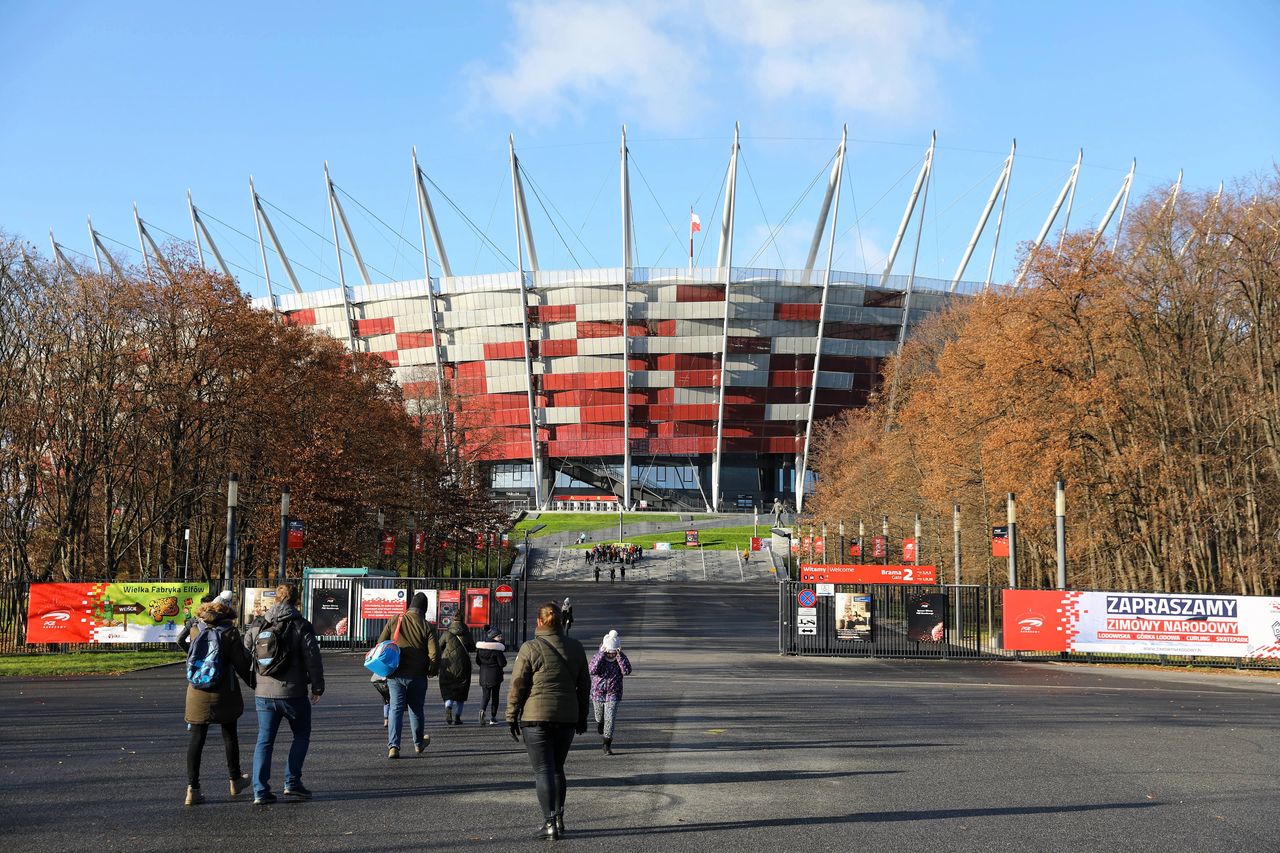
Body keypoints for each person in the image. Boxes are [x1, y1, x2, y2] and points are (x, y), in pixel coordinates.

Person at [507, 602, 590, 840]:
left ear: (539, 622)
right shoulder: (575, 647)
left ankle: (549, 822)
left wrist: (511, 715)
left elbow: (518, 685)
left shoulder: (530, 648)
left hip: (536, 718)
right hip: (566, 717)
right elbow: (584, 686)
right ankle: (560, 819)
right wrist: (582, 716)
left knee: (543, 770)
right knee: (557, 769)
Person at [244, 583, 324, 806]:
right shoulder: (301, 625)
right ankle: (292, 782)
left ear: (276, 600)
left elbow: (247, 646)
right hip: (293, 692)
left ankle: (260, 790)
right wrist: (317, 687)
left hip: (263, 692)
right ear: (297, 601)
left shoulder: (260, 623)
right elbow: (313, 659)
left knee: (265, 740)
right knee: (301, 734)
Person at [182, 596, 253, 805]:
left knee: (196, 738)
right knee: (229, 734)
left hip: (197, 691)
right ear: (226, 613)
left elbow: (181, 641)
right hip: (224, 691)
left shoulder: (196, 629)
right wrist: (256, 685)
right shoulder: (229, 632)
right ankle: (235, 779)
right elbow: (241, 664)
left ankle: (192, 789)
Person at [379, 591, 439, 758]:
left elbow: (381, 643)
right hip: (418, 675)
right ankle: (418, 743)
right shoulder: (427, 626)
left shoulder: (395, 619)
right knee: (416, 709)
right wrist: (432, 671)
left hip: (395, 673)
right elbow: (434, 654)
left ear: (411, 605)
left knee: (395, 709)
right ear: (424, 609)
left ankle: (393, 746)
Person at [588, 630, 633, 755]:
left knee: (610, 718)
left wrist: (620, 656)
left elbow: (627, 671)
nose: (611, 655)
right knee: (599, 715)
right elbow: (592, 670)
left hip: (614, 692)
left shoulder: (620, 658)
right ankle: (599, 722)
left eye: (614, 652)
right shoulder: (599, 657)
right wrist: (601, 654)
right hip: (598, 692)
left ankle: (607, 744)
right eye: (609, 652)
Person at [438, 614, 475, 724]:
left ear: (452, 621)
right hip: (463, 666)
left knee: (447, 688)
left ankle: (448, 707)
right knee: (461, 692)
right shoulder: (467, 633)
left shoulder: (446, 634)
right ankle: (458, 717)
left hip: (448, 666)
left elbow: (439, 646)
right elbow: (472, 648)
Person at [475, 628, 508, 725]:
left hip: (483, 676)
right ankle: (493, 718)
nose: (501, 638)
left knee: (485, 696)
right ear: (493, 637)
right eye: (499, 636)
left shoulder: (480, 649)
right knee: (495, 696)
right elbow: (502, 663)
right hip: (495, 676)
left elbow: (478, 661)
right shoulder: (497, 649)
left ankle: (482, 710)